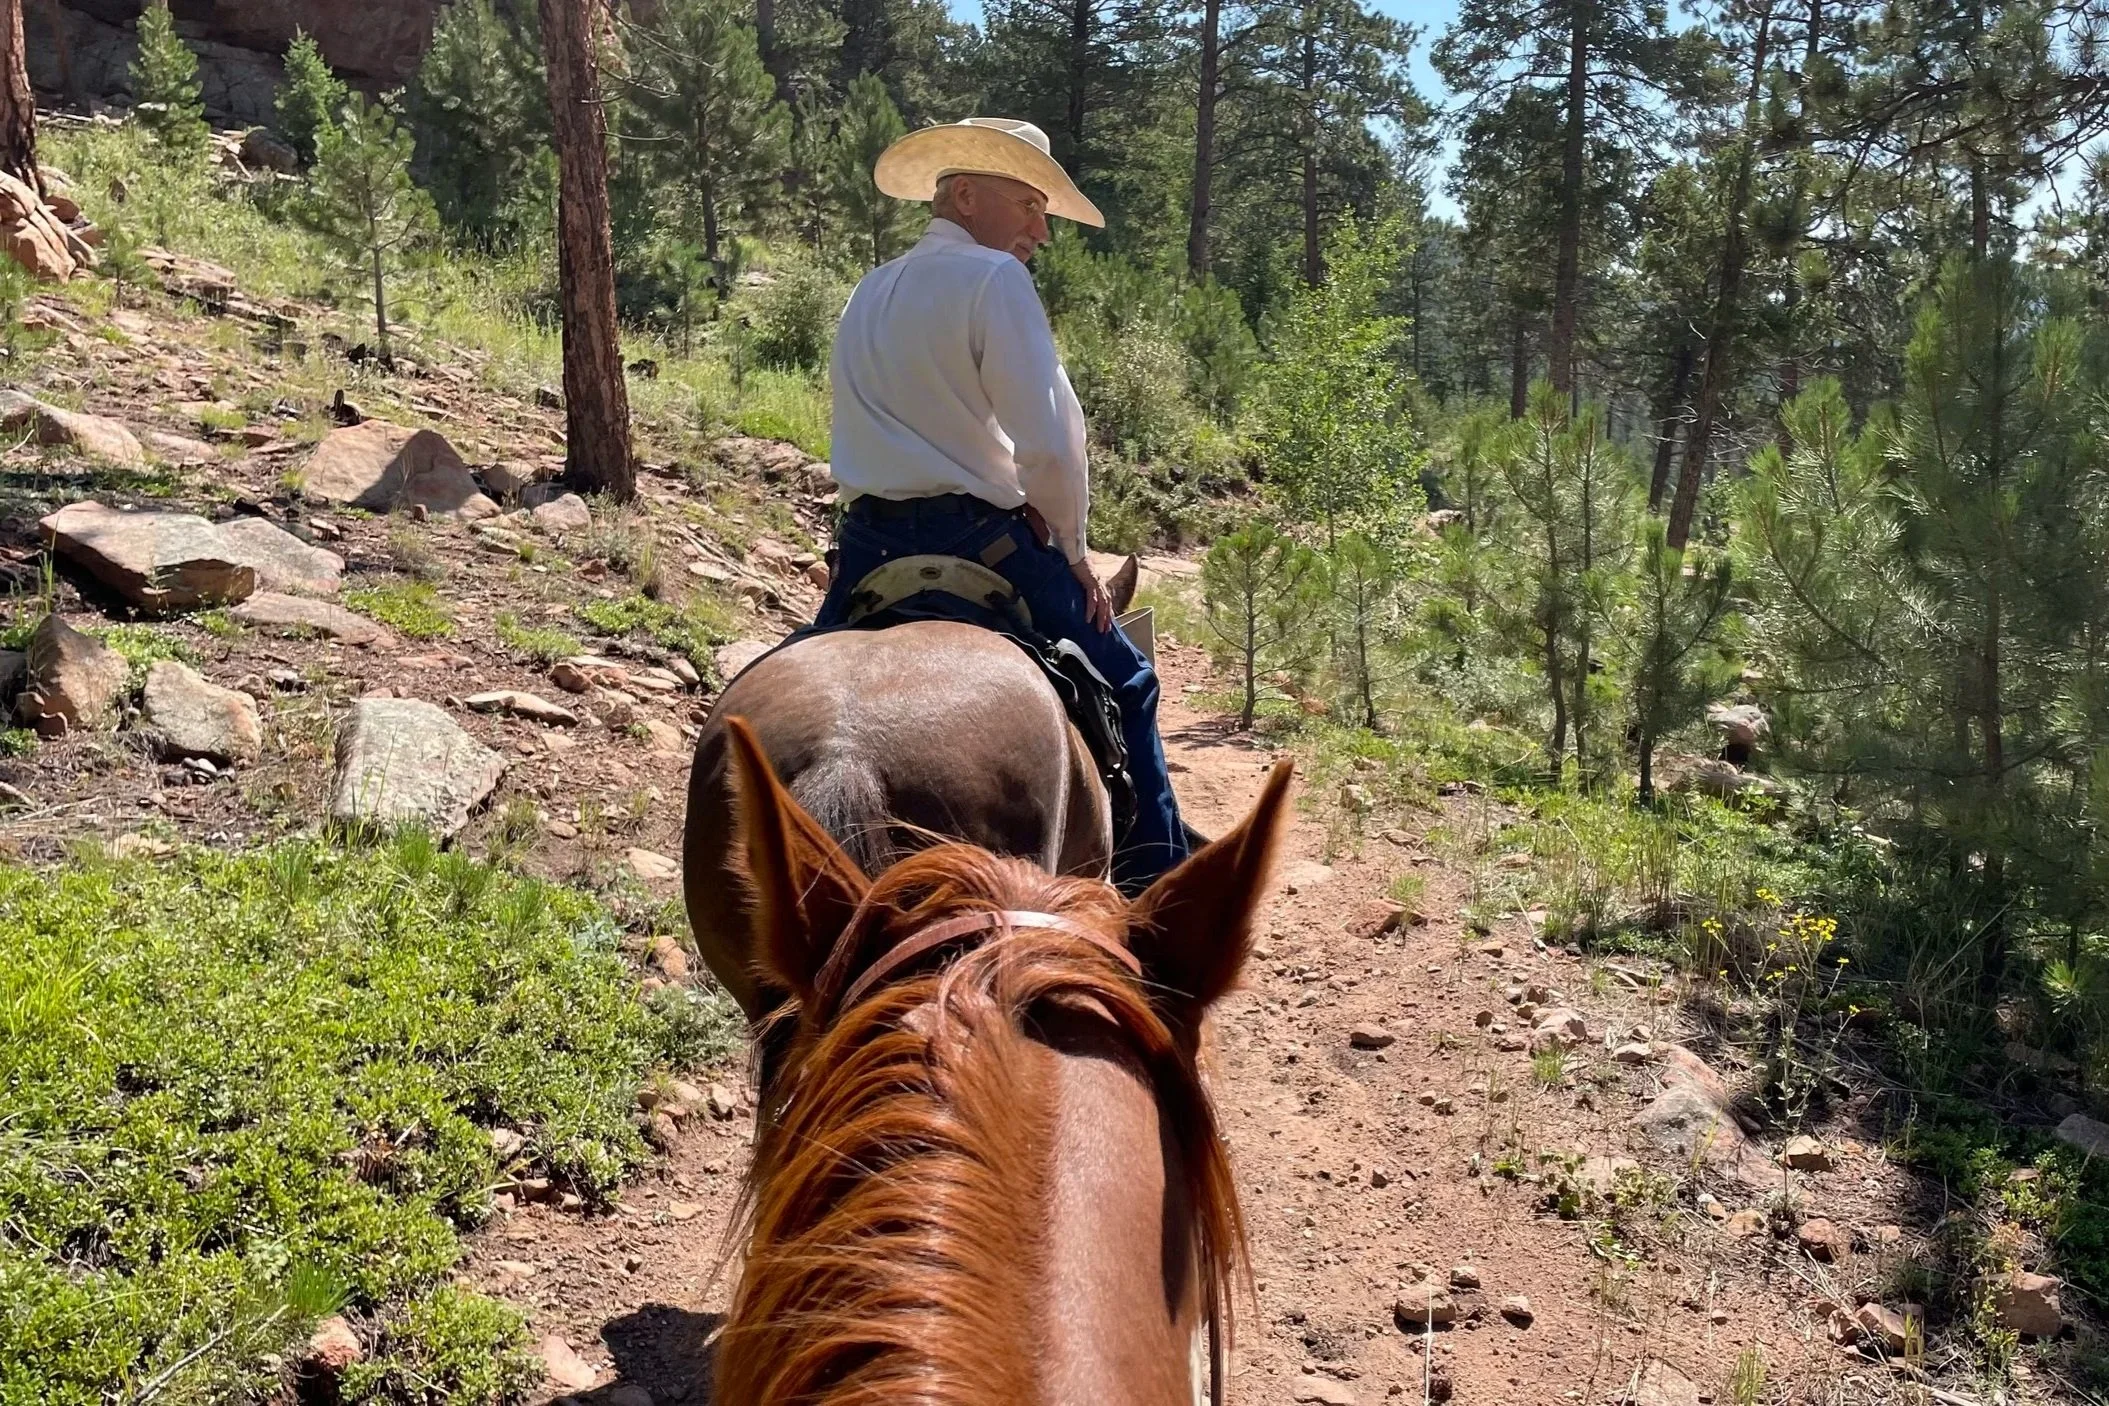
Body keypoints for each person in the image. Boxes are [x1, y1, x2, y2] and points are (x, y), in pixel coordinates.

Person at [812, 116, 1192, 893]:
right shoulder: (993, 281)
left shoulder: (867, 289)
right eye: (1029, 204)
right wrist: (1076, 555)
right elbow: (1047, 445)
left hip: (866, 548)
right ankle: (1157, 898)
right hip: (982, 539)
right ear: (964, 195)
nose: (1040, 231)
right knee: (1128, 684)